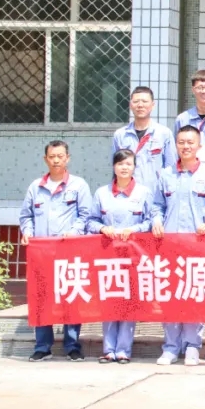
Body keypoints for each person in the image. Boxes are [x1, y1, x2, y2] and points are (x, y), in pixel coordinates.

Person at [152, 125, 205, 366]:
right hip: (170, 245)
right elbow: (157, 206)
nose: (186, 146)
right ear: (176, 145)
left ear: (199, 146)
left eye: (190, 142)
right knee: (171, 296)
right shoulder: (166, 175)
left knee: (194, 294)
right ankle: (170, 347)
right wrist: (156, 220)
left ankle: (193, 346)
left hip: (198, 246)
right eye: (181, 142)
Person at [19, 140, 92, 362]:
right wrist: (27, 232)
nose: (56, 160)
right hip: (41, 253)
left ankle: (72, 345)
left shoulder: (78, 185)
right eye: (52, 157)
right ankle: (43, 346)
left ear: (68, 158)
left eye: (60, 156)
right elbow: (26, 216)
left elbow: (86, 215)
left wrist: (74, 231)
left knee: (71, 296)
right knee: (42, 297)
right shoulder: (35, 187)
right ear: (45, 159)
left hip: (69, 252)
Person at [87, 149, 154, 364]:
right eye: (120, 164)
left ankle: (124, 349)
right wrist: (102, 228)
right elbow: (90, 221)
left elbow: (151, 221)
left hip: (133, 256)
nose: (124, 167)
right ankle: (108, 349)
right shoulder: (101, 193)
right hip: (108, 256)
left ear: (134, 167)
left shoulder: (144, 193)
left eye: (128, 164)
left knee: (128, 302)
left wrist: (134, 229)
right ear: (113, 167)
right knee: (109, 300)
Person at [111, 86, 176, 192]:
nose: (140, 105)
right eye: (136, 101)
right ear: (130, 105)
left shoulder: (164, 133)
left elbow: (171, 168)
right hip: (128, 194)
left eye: (145, 101)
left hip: (155, 195)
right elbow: (115, 168)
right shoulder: (120, 135)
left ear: (153, 105)